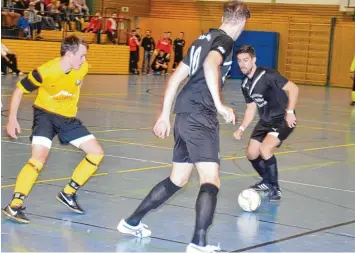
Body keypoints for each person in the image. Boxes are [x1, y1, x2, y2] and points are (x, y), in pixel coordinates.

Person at [117, 1, 250, 252]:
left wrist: (165, 115)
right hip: (201, 114)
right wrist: (220, 105)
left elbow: (177, 76)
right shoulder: (224, 41)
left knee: (178, 179)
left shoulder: (202, 38)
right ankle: (199, 243)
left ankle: (131, 222)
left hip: (184, 114)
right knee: (210, 179)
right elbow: (211, 65)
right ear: (242, 21)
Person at [3, 35, 104, 224]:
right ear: (69, 54)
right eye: (81, 55)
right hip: (45, 115)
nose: (84, 60)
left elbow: (77, 82)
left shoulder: (82, 67)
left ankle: (68, 192)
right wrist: (11, 119)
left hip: (67, 118)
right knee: (38, 159)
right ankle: (15, 204)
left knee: (96, 153)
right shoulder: (45, 71)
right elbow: (19, 90)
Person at [233, 45, 299, 202]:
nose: (243, 64)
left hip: (282, 118)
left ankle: (275, 188)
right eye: (239, 61)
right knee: (251, 153)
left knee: (265, 148)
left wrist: (290, 112)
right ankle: (267, 181)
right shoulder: (245, 85)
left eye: (246, 60)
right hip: (265, 121)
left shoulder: (268, 75)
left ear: (254, 60)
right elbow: (251, 108)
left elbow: (294, 89)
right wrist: (242, 127)